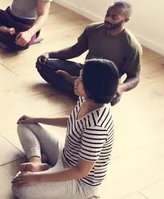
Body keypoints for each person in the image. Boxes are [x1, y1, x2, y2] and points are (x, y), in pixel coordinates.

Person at [11, 59, 118, 199]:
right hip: (66, 154)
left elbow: (81, 171)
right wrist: (36, 119)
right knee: (25, 124)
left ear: (94, 86)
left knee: (19, 188)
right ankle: (37, 162)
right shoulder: (87, 99)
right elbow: (73, 121)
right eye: (79, 76)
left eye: (82, 80)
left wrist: (38, 178)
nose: (76, 81)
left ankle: (49, 172)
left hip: (79, 182)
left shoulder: (97, 127)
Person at [36, 1, 142, 105]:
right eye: (107, 14)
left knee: (107, 97)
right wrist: (49, 54)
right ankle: (83, 92)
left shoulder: (132, 46)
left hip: (105, 84)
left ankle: (77, 88)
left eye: (114, 17)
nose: (107, 19)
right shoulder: (93, 29)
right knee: (44, 64)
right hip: (84, 72)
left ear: (126, 20)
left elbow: (134, 77)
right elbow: (75, 50)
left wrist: (121, 88)